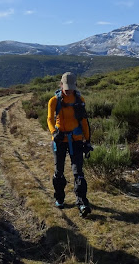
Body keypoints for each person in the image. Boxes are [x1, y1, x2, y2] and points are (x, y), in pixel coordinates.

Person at [47, 72, 93, 217]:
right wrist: (54, 132)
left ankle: (82, 202)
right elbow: (49, 119)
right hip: (60, 140)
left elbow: (84, 122)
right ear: (61, 85)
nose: (68, 90)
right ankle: (59, 198)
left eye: (71, 88)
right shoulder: (54, 101)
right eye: (66, 88)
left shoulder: (79, 100)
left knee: (78, 172)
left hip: (76, 140)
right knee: (59, 171)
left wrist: (88, 140)